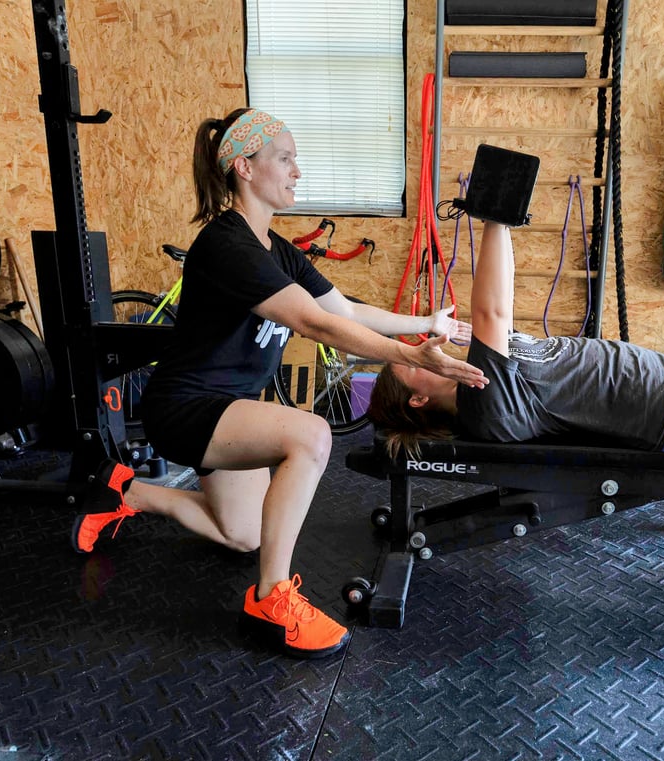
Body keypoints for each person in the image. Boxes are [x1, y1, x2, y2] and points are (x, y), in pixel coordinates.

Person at [69, 107, 490, 660]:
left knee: (244, 534)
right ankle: (271, 599)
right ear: (244, 167)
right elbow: (316, 324)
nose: (297, 171)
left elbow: (344, 310)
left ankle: (126, 490)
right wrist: (410, 355)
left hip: (228, 409)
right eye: (285, 158)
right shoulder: (228, 246)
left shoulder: (277, 249)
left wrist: (425, 323)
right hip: (185, 409)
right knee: (311, 435)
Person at [367, 219, 664, 636]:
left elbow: (499, 306)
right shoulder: (482, 396)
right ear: (418, 399)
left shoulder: (476, 377)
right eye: (412, 362)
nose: (423, 351)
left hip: (662, 369)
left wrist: (507, 220)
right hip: (662, 404)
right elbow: (491, 311)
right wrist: (494, 216)